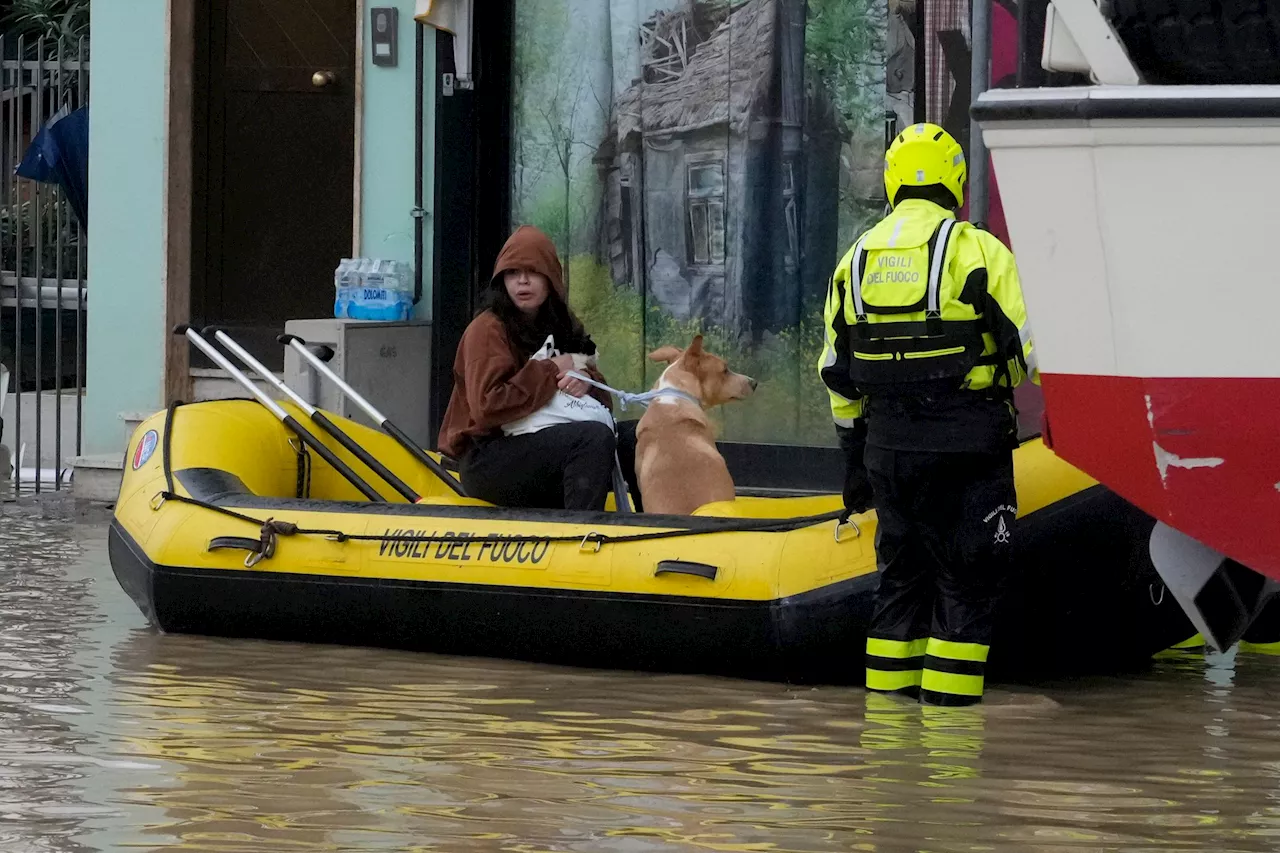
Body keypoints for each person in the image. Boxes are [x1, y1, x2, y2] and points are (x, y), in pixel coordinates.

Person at [818, 122, 1038, 706]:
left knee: (898, 587)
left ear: (892, 184)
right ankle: (950, 755)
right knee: (966, 588)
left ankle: (888, 743)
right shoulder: (978, 252)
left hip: (888, 453)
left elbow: (837, 376)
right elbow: (1033, 352)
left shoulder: (853, 263)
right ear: (956, 184)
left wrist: (853, 461)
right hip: (969, 449)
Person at [437, 225, 641, 511]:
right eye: (512, 273)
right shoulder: (486, 329)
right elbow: (488, 407)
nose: (522, 282)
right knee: (592, 439)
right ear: (501, 281)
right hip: (489, 457)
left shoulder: (563, 324)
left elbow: (603, 405)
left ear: (551, 280)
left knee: (638, 435)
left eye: (532, 273)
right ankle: (581, 536)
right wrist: (549, 369)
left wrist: (585, 380)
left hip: (547, 441)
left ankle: (653, 527)